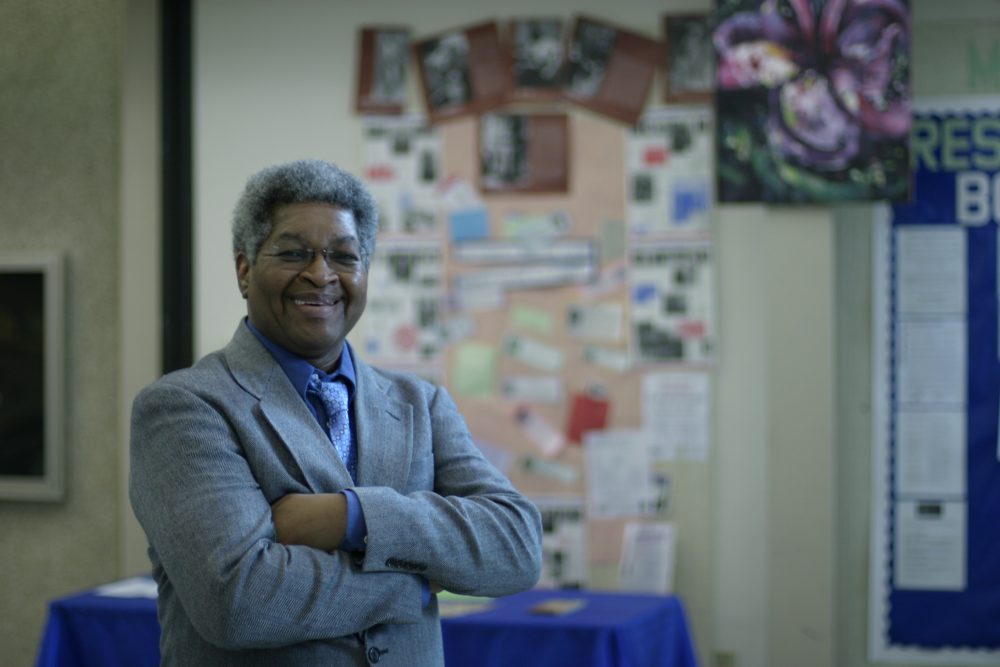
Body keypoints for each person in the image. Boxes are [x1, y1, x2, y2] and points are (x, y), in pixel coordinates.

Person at [129, 159, 543, 666]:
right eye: (293, 253)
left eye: (344, 256)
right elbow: (239, 602)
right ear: (244, 270)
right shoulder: (186, 408)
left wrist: (351, 518)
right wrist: (416, 583)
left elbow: (517, 547)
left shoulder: (421, 403)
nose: (321, 274)